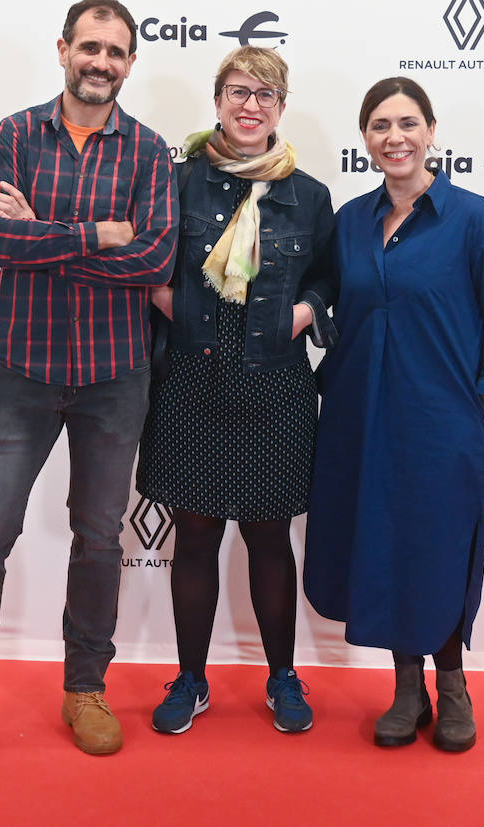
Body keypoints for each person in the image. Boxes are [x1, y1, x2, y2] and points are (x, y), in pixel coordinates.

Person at [0, 0, 178, 777]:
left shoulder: (150, 154)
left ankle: (84, 687)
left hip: (114, 377)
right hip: (22, 372)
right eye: (89, 46)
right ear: (63, 49)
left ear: (130, 63)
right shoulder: (16, 135)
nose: (101, 61)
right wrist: (99, 232)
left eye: (116, 51)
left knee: (98, 540)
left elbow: (152, 262)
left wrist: (46, 237)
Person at [303, 76, 484, 752]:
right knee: (380, 544)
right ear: (366, 138)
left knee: (436, 547)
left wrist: (483, 397)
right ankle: (407, 686)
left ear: (430, 131)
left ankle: (453, 683)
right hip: (359, 416)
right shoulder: (349, 221)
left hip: (442, 422)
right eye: (379, 125)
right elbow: (324, 296)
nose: (394, 136)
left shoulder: (474, 219)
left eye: (407, 122)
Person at [136, 46, 335, 735]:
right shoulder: (176, 180)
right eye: (238, 92)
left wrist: (305, 311)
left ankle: (282, 676)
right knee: (193, 536)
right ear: (217, 100)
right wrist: (166, 299)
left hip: (274, 383)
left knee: (269, 534)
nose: (251, 106)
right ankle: (191, 678)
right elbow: (143, 255)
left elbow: (329, 276)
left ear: (282, 107)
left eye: (266, 95)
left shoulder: (307, 194)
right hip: (191, 374)